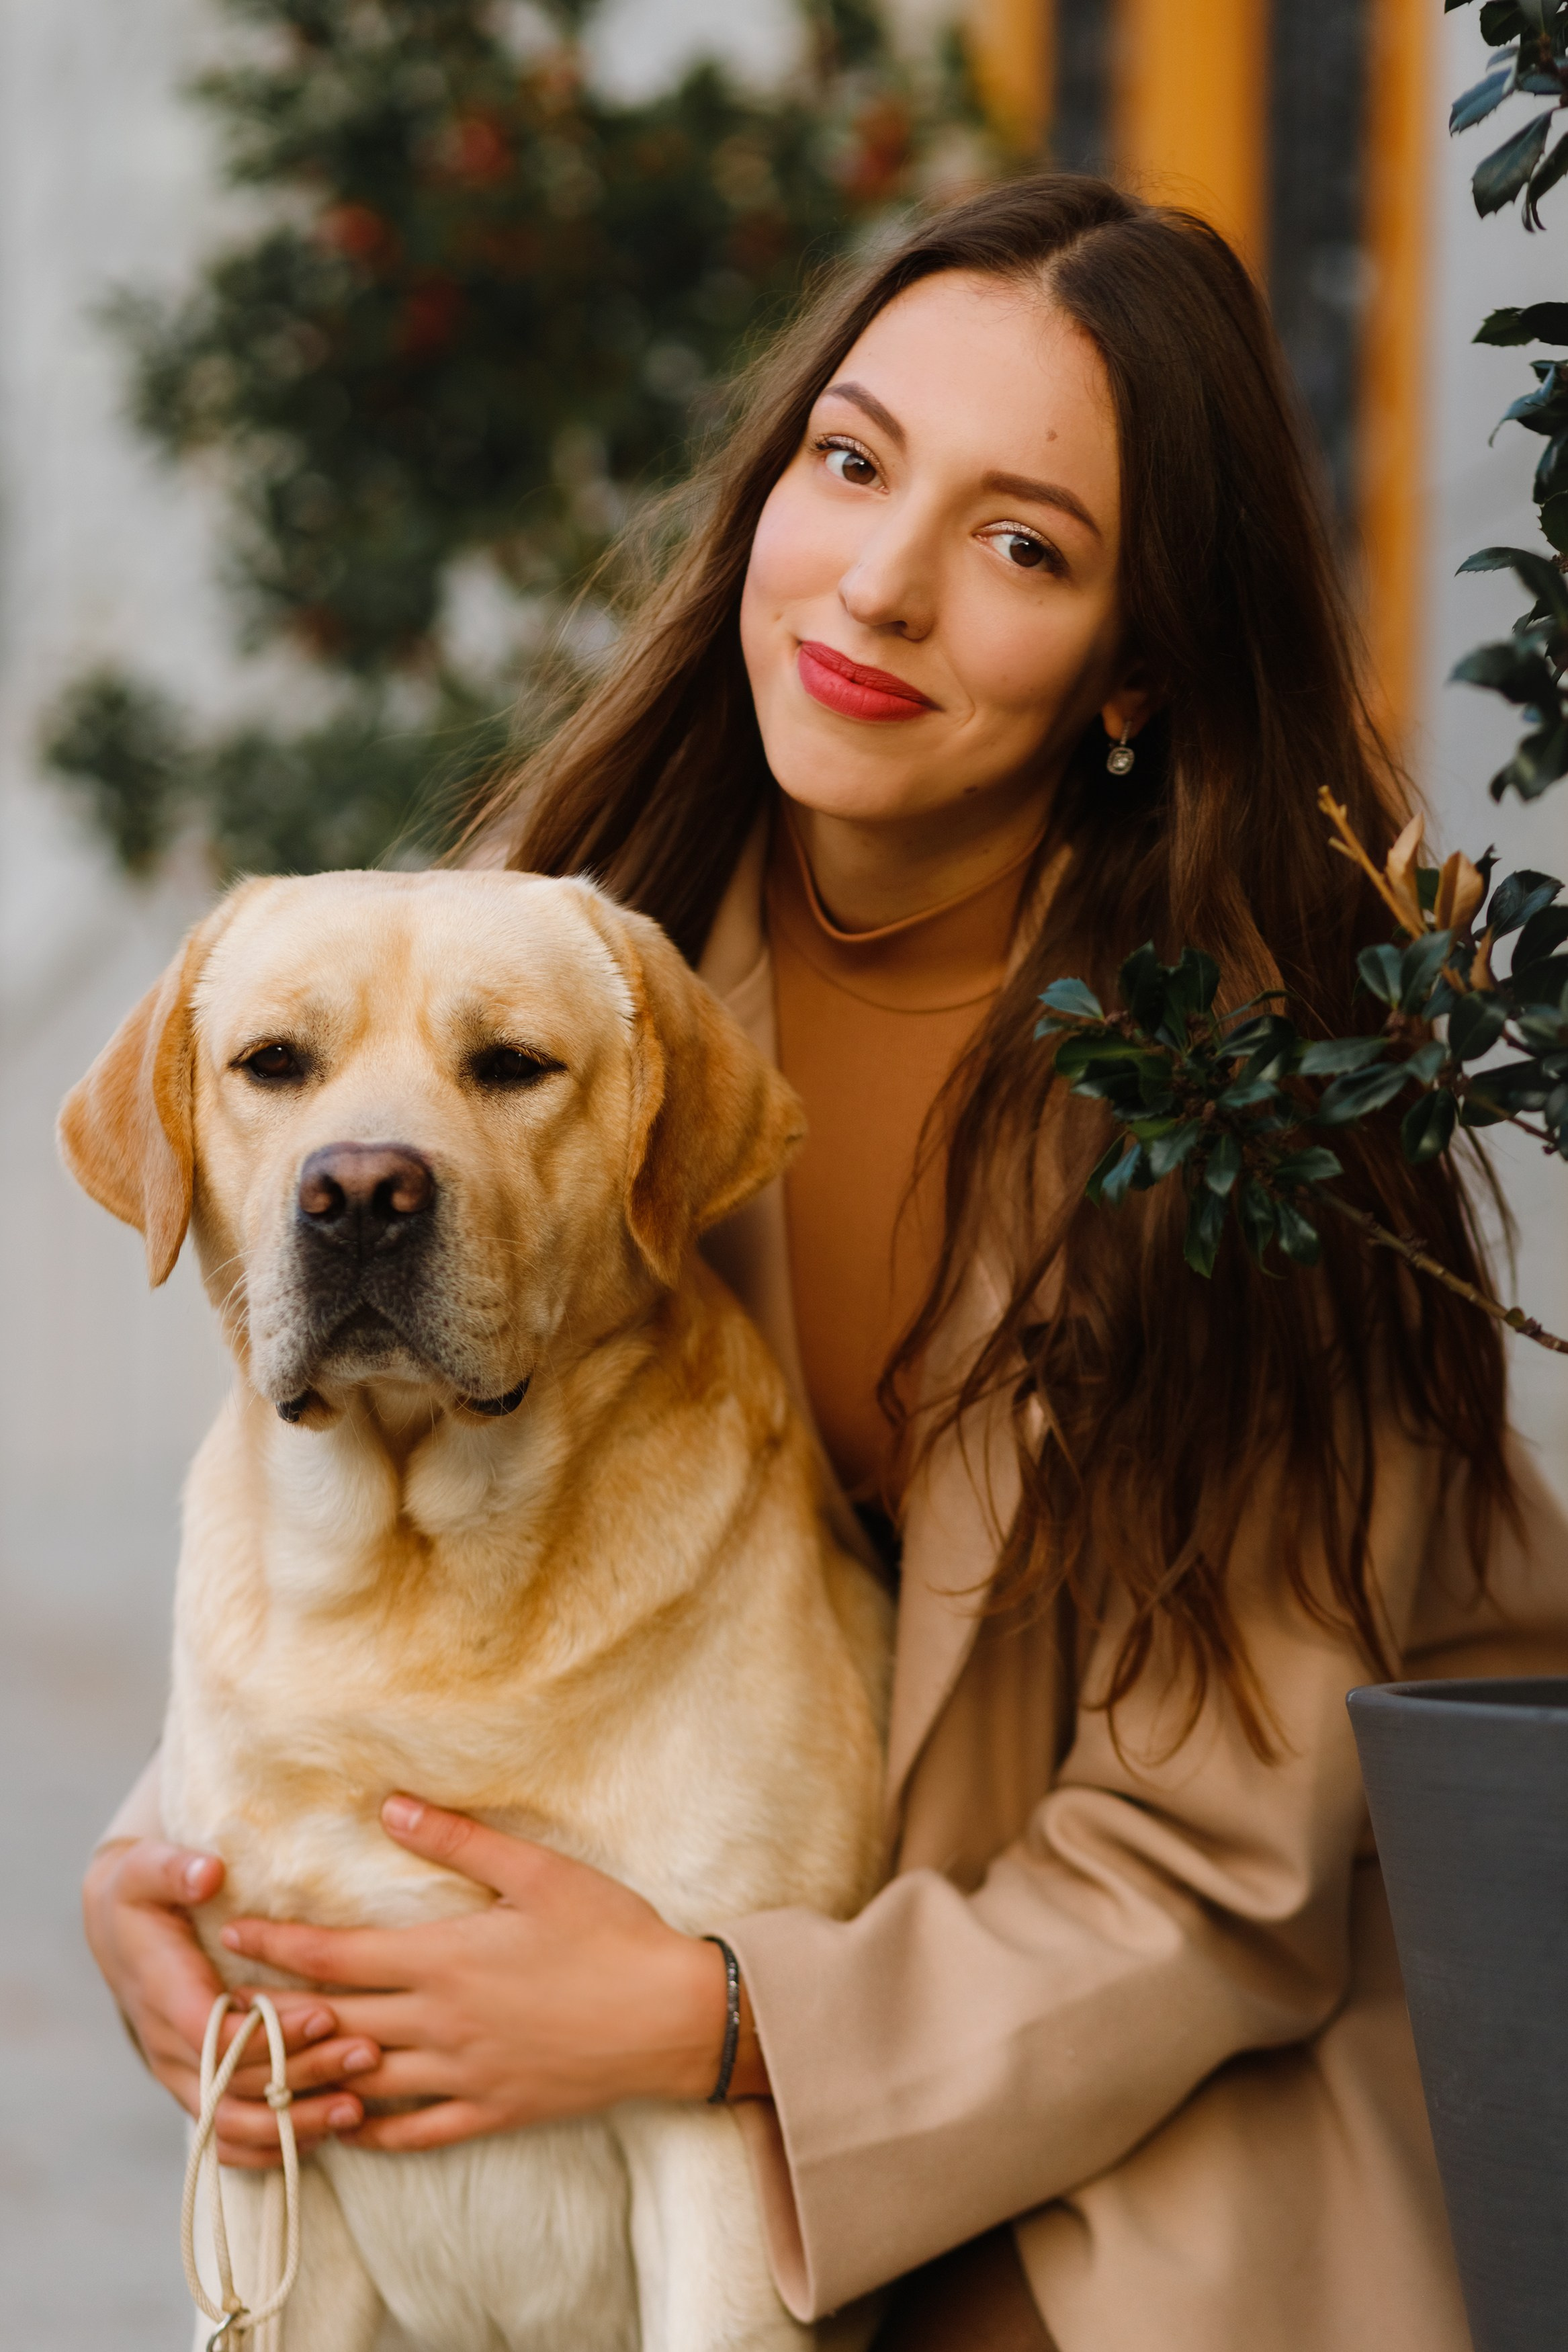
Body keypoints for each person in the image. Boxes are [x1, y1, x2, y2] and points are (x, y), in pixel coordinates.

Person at [84, 176, 1568, 2351]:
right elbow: (401, 1522)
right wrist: (171, 1866)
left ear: (1141, 663)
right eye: (852, 463)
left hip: (1151, 2109)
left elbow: (1220, 1884)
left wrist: (708, 2015)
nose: (880, 581)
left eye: (1022, 543)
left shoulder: (1258, 1121)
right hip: (724, 2027)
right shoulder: (574, 970)